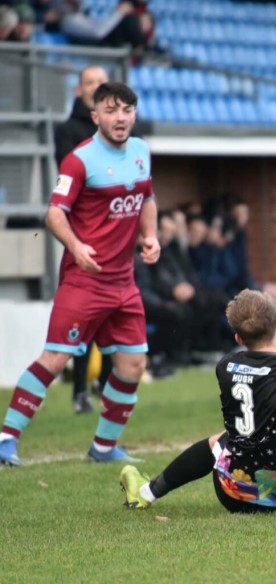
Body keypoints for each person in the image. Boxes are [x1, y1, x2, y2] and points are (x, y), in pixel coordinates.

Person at [0, 82, 161, 467]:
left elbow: (147, 198)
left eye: (126, 110)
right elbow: (54, 214)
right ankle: (6, 439)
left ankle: (103, 448)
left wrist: (150, 236)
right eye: (110, 110)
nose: (119, 118)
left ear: (133, 115)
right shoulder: (79, 159)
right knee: (55, 358)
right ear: (96, 116)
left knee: (133, 365)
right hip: (84, 280)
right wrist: (76, 247)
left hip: (124, 282)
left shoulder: (141, 151)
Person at [119, 290, 276, 517]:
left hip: (232, 494)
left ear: (239, 338)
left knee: (226, 438)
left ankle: (147, 491)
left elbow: (268, 385)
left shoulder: (226, 366)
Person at [54, 64, 113, 414]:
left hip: (115, 234)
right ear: (80, 90)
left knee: (111, 314)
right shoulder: (69, 132)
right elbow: (71, 176)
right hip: (84, 231)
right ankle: (79, 389)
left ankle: (105, 383)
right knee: (82, 316)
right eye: (90, 82)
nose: (96, 87)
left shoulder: (117, 131)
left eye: (101, 82)